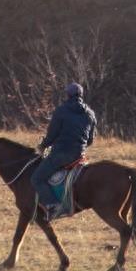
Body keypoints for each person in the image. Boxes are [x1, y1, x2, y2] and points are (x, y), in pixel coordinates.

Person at [31, 81, 97, 217]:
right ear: (81, 95)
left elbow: (52, 135)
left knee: (37, 178)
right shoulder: (90, 113)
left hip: (61, 154)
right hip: (79, 155)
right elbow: (90, 140)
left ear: (68, 95)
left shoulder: (61, 111)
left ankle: (53, 206)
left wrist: (42, 146)